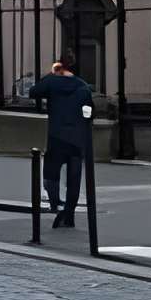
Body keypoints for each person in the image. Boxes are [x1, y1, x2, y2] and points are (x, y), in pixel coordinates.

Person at [28, 56, 94, 227]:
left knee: (51, 172)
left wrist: (50, 75)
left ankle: (55, 204)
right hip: (77, 138)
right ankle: (69, 213)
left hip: (57, 136)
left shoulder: (52, 82)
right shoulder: (83, 86)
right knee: (74, 177)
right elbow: (90, 112)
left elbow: (33, 92)